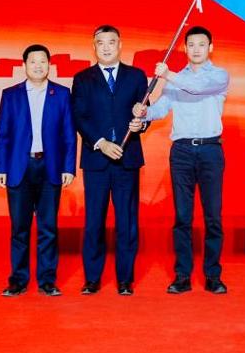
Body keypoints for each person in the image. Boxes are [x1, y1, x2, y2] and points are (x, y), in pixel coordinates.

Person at [134, 25, 230, 294]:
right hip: (182, 152)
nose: (196, 49)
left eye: (202, 44)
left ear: (210, 48)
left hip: (210, 151)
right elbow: (161, 110)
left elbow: (197, 88)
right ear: (185, 48)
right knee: (182, 217)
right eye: (191, 45)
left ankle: (213, 276)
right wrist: (144, 111)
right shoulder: (176, 80)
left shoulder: (219, 76)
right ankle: (182, 276)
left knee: (213, 216)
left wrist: (168, 75)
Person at [71, 25, 148, 296]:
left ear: (120, 45)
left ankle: (125, 280)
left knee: (127, 222)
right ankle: (92, 279)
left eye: (111, 42)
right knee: (94, 221)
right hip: (97, 160)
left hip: (127, 160)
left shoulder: (137, 76)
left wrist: (142, 123)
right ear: (94, 47)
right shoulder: (82, 79)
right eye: (100, 43)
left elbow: (144, 113)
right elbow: (79, 117)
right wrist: (101, 143)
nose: (106, 47)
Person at [0, 44, 76, 297]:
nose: (38, 66)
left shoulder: (61, 94)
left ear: (49, 65)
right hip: (19, 167)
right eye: (33, 62)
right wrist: (0, 167)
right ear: (24, 65)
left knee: (48, 227)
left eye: (43, 61)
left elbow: (69, 135)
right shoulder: (11, 95)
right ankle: (18, 280)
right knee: (20, 228)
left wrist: (68, 167)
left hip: (50, 167)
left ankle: (47, 281)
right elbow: (3, 134)